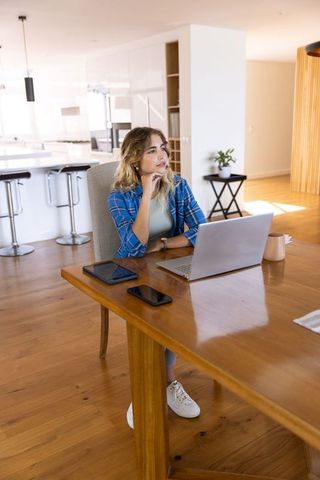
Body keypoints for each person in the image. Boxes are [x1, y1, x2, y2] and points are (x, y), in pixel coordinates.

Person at [108, 126, 206, 428]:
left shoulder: (179, 185)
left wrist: (163, 243)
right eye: (153, 150)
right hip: (135, 272)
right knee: (154, 316)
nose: (163, 155)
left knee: (183, 311)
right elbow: (132, 248)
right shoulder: (119, 197)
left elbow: (202, 230)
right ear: (135, 158)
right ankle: (153, 387)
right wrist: (147, 195)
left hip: (172, 266)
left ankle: (162, 384)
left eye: (163, 147)